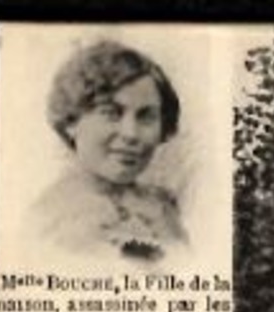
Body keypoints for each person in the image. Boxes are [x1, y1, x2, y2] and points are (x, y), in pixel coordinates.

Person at [27, 41, 188, 263]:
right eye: (111, 113)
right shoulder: (51, 221)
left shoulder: (164, 208)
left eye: (146, 116)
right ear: (71, 122)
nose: (131, 134)